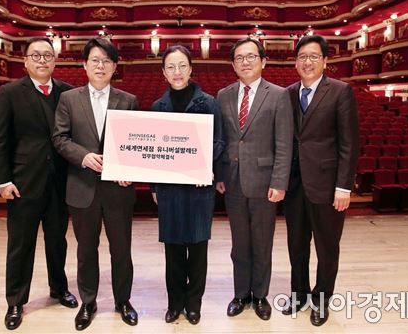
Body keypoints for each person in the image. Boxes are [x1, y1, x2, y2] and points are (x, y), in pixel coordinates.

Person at [0, 37, 77, 331]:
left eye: (48, 56)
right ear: (25, 60)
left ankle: (58, 288)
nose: (42, 60)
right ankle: (15, 300)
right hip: (24, 183)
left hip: (60, 183)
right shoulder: (10, 92)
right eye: (36, 55)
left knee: (57, 241)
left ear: (55, 61)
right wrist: (3, 180)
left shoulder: (67, 92)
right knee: (20, 244)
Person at [52, 37, 139, 331]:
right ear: (85, 65)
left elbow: (135, 145)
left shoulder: (128, 100)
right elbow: (60, 138)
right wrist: (84, 156)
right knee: (86, 249)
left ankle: (123, 301)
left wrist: (131, 170)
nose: (100, 66)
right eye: (95, 60)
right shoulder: (68, 99)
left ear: (114, 66)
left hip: (118, 190)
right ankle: (88, 302)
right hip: (82, 187)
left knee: (121, 249)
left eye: (106, 61)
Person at [282, 34, 359, 326]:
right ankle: (299, 294)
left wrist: (344, 186)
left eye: (314, 56)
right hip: (294, 184)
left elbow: (349, 144)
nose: (307, 62)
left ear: (326, 61)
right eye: (302, 57)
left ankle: (322, 299)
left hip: (328, 186)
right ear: (295, 62)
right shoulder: (287, 93)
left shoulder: (340, 92)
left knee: (327, 247)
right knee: (296, 245)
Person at [215, 38, 293, 321]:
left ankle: (260, 295)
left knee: (262, 241)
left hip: (264, 181)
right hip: (233, 181)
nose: (245, 62)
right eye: (239, 58)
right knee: (239, 244)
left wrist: (279, 181)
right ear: (233, 64)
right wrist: (220, 175)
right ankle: (240, 294)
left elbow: (284, 143)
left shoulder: (279, 95)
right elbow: (221, 139)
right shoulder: (223, 94)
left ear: (263, 61)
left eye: (250, 57)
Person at [150, 45, 225, 325]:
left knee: (197, 248)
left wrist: (198, 166)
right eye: (171, 67)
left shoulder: (209, 103)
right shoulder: (158, 106)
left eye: (182, 66)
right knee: (172, 250)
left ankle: (194, 304)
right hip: (170, 190)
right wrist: (156, 188)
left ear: (191, 69)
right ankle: (175, 302)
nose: (177, 72)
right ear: (164, 73)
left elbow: (218, 141)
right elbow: (154, 151)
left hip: (198, 189)